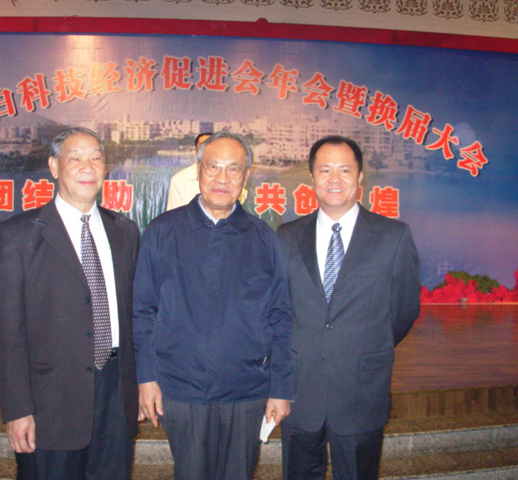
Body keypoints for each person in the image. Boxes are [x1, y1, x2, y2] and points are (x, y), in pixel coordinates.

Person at [134, 131, 293, 480]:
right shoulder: (162, 232)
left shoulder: (264, 238)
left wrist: (280, 388)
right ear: (198, 170)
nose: (222, 178)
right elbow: (143, 311)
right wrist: (146, 378)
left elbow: (280, 315)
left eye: (233, 169)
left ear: (246, 176)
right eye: (213, 167)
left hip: (247, 389)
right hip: (181, 388)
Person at [0, 127, 140, 480]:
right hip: (49, 402)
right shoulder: (17, 235)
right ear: (54, 167)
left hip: (114, 393)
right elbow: (6, 333)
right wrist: (17, 409)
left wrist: (135, 389)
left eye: (96, 158)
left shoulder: (125, 231)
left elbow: (134, 317)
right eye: (76, 158)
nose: (88, 167)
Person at [277, 135, 421, 480]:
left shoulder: (393, 236)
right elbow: (278, 310)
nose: (334, 179)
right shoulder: (286, 236)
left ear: (360, 177)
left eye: (344, 170)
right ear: (311, 177)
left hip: (361, 388)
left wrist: (365, 345)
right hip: (300, 390)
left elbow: (403, 311)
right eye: (324, 170)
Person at [165, 132, 212, 211]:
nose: (207, 149)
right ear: (196, 151)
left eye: (211, 145)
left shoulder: (229, 179)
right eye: (203, 146)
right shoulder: (179, 180)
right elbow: (173, 215)